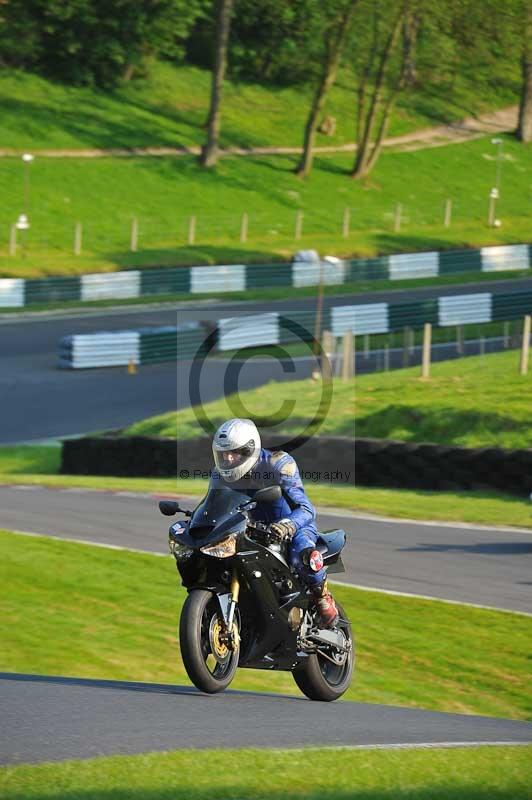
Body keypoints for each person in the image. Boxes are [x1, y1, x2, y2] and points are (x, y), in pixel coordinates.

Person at [212, 417, 338, 628]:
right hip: (250, 529)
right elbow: (214, 505)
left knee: (302, 556)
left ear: (249, 450)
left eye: (233, 453)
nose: (228, 459)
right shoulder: (218, 475)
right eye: (223, 454)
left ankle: (322, 596)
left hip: (293, 527)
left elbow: (307, 509)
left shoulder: (279, 464)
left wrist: (287, 525)